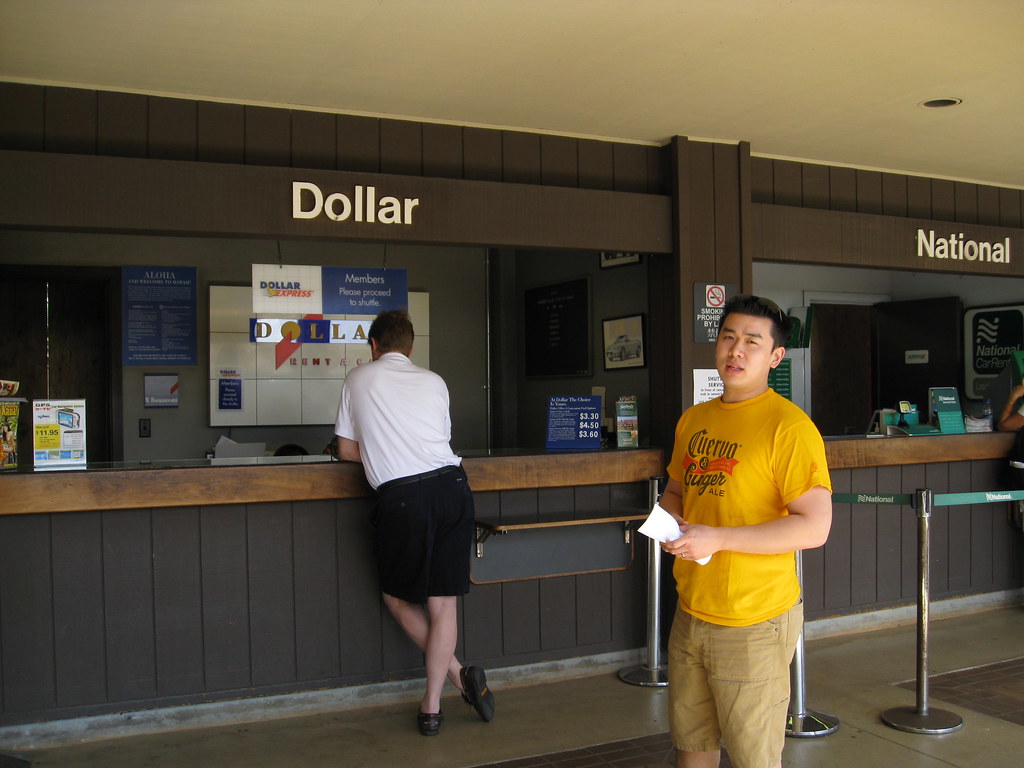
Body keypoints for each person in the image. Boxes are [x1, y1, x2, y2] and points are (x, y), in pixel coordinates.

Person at [659, 295, 833, 768]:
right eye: (728, 337)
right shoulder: (694, 420)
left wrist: (717, 538)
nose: (736, 350)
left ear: (775, 357)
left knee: (754, 758)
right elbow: (677, 490)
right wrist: (670, 516)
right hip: (691, 609)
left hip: (753, 621)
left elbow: (816, 527)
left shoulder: (790, 428)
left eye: (752, 342)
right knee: (692, 745)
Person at [334, 309, 495, 736]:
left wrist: (375, 449)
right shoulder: (435, 381)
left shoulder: (358, 379)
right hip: (453, 488)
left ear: (373, 346)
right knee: (444, 603)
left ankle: (459, 676)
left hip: (404, 498)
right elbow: (440, 441)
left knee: (398, 599)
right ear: (410, 348)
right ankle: (433, 705)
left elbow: (348, 450)